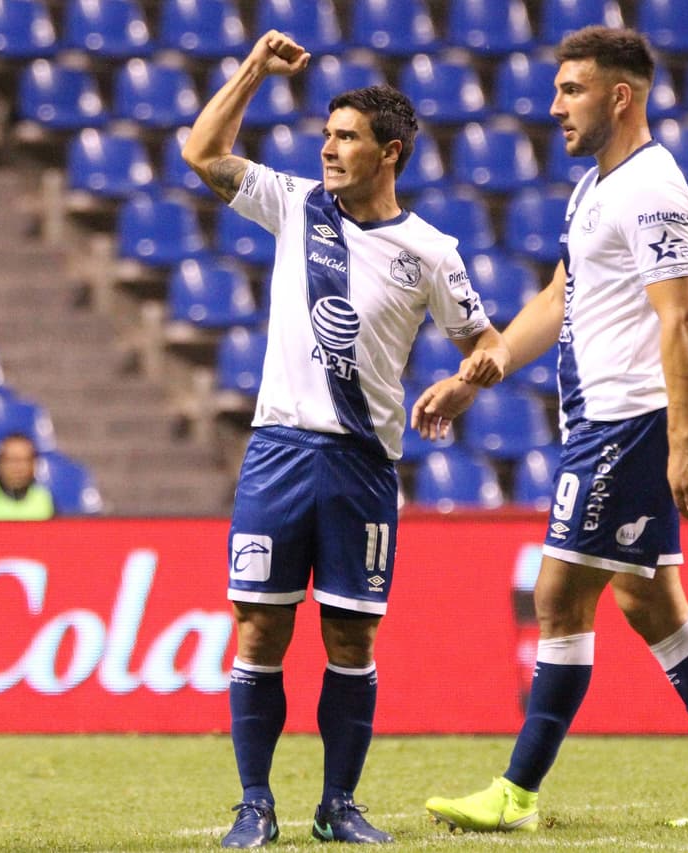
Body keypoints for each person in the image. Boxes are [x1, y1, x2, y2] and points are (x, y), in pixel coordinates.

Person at [414, 26, 688, 832]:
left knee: (558, 595)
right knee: (649, 602)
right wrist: (481, 370)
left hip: (628, 422)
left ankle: (514, 793)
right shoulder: (596, 187)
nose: (554, 108)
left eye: (570, 90)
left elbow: (681, 318)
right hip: (601, 418)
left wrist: (684, 439)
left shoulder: (653, 188)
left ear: (620, 96)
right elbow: (559, 296)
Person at [181, 30, 505, 848]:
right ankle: (254, 802)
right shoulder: (295, 205)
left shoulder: (430, 252)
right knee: (259, 628)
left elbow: (489, 342)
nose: (327, 147)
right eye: (325, 134)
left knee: (351, 637)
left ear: (388, 152)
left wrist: (465, 385)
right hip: (281, 450)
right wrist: (252, 67)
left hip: (363, 463)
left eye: (346, 137)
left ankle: (338, 803)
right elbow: (201, 150)